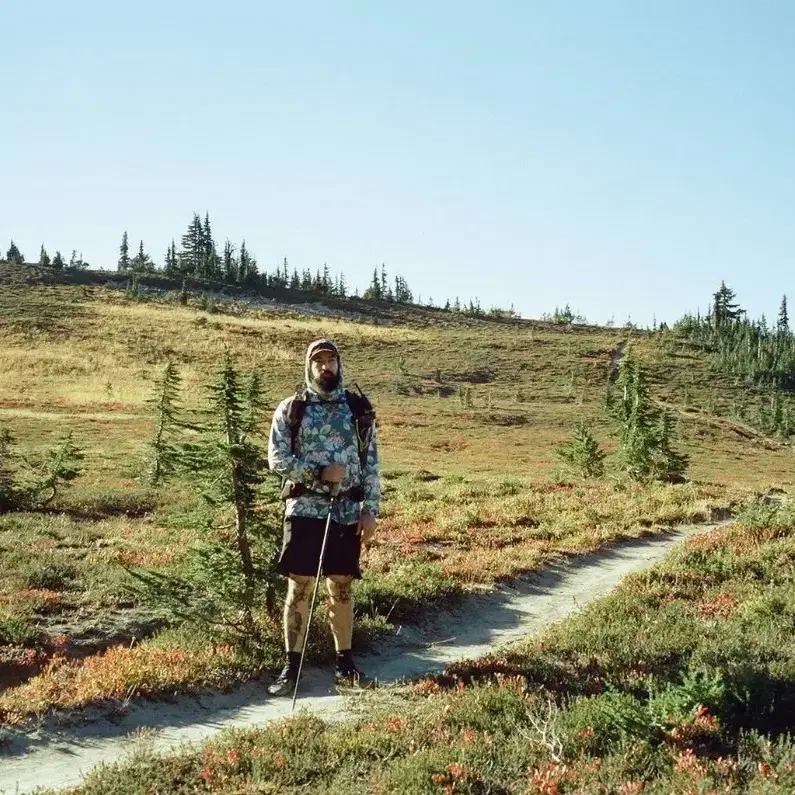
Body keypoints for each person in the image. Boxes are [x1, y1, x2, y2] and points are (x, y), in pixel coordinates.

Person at [266, 338, 380, 696]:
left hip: (347, 512)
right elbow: (277, 460)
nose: (324, 367)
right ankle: (291, 668)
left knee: (341, 587)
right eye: (318, 361)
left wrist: (370, 511)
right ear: (308, 366)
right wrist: (318, 474)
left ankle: (345, 665)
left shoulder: (358, 409)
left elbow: (371, 464)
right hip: (303, 509)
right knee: (299, 586)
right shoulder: (291, 409)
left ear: (339, 364)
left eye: (330, 360)